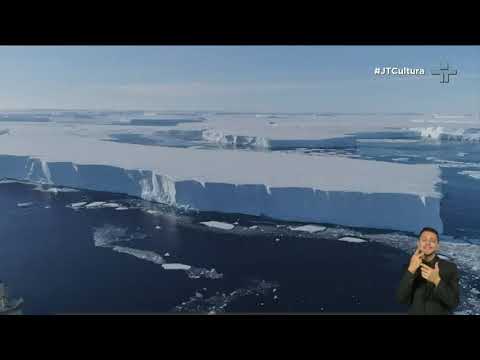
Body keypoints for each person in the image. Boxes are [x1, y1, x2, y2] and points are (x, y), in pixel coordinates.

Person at [396, 227, 460, 315]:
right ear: (418, 244)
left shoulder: (450, 268)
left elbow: (454, 303)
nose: (428, 243)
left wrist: (437, 280)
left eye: (432, 241)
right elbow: (400, 299)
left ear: (437, 246)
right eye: (424, 240)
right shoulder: (408, 267)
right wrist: (411, 270)